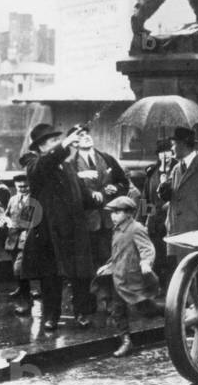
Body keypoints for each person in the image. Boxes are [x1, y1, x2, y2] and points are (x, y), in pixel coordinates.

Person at [19, 124, 97, 331]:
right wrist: (65, 143)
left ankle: (82, 313)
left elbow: (83, 196)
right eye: (53, 141)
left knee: (80, 275)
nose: (58, 143)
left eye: (57, 140)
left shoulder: (68, 167)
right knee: (51, 277)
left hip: (74, 230)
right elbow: (44, 164)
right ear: (41, 146)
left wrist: (99, 197)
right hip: (50, 232)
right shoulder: (35, 164)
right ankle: (50, 317)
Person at [91, 196, 162, 358]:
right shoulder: (116, 230)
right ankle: (126, 341)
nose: (113, 216)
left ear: (129, 213)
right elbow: (118, 253)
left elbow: (147, 248)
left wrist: (146, 263)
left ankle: (172, 313)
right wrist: (108, 265)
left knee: (147, 309)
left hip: (132, 278)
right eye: (112, 212)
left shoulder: (136, 228)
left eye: (117, 212)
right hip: (118, 277)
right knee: (117, 310)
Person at [158, 127, 198, 258]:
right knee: (183, 269)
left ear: (183, 144)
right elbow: (151, 198)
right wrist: (163, 187)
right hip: (177, 234)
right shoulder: (175, 169)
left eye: (173, 144)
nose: (171, 149)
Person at [73, 127, 131, 267]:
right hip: (85, 222)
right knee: (89, 262)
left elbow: (124, 182)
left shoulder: (107, 158)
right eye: (81, 135)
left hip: (109, 220)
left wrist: (116, 188)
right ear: (74, 142)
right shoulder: (71, 164)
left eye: (87, 133)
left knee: (110, 259)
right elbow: (69, 191)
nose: (86, 136)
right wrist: (89, 193)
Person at [0, 174, 36, 315]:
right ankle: (22, 289)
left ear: (30, 185)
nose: (22, 189)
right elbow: (7, 214)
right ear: (15, 186)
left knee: (19, 269)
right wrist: (4, 220)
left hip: (26, 239)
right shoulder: (13, 199)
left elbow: (32, 222)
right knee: (17, 268)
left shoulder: (34, 201)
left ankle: (27, 302)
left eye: (25, 186)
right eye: (19, 187)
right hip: (12, 240)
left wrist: (15, 225)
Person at [141, 138, 174, 276]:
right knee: (157, 255)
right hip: (155, 221)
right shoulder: (152, 172)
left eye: (168, 151)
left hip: (172, 219)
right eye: (161, 152)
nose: (165, 155)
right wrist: (147, 218)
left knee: (171, 255)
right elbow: (146, 198)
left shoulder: (178, 169)